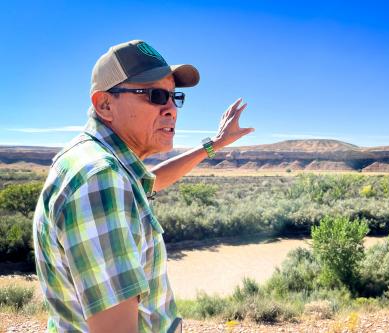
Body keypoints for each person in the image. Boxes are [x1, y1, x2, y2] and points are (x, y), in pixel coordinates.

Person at [33, 39, 254, 333]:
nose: (171, 109)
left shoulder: (96, 161)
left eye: (175, 97)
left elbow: (150, 181)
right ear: (105, 104)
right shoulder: (101, 180)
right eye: (155, 95)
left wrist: (215, 145)